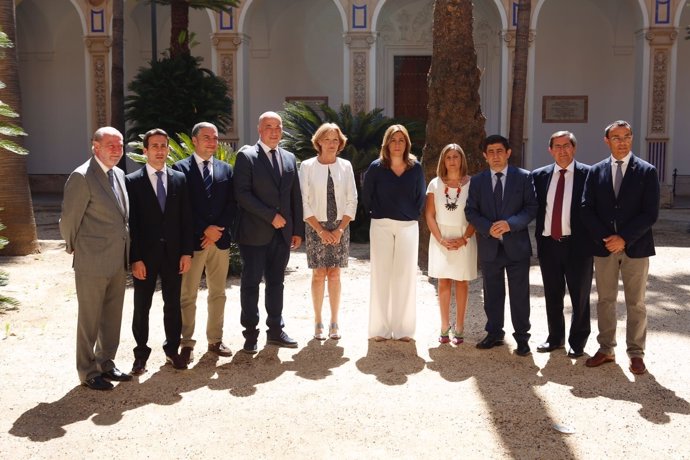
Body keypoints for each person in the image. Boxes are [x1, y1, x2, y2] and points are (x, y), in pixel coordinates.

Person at [581, 120, 660, 375]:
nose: (622, 141)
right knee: (605, 300)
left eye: (626, 136)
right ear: (607, 141)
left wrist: (624, 238)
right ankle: (606, 349)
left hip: (636, 247)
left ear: (632, 138)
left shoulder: (647, 171)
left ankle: (636, 353)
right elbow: (586, 208)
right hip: (604, 247)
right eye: (616, 137)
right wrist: (608, 238)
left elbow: (650, 213)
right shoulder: (596, 172)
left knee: (636, 302)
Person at [59, 126, 132, 390]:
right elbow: (69, 219)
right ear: (95, 147)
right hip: (92, 261)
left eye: (120, 145)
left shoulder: (120, 175)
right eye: (110, 144)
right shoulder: (82, 176)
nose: (116, 149)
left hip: (117, 260)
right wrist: (73, 246)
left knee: (112, 317)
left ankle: (106, 363)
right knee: (89, 319)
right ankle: (88, 371)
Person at [234, 111, 305, 353]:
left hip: (283, 234)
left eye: (278, 127)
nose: (274, 131)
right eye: (268, 126)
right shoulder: (247, 157)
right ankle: (250, 334)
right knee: (251, 283)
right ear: (259, 130)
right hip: (254, 233)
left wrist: (297, 230)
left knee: (277, 283)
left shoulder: (289, 158)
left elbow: (295, 196)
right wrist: (270, 216)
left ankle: (275, 330)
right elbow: (242, 195)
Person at [126, 129, 194, 374]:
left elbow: (187, 219)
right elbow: (131, 224)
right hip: (145, 256)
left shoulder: (179, 179)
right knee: (141, 306)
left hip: (174, 255)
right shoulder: (132, 181)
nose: (159, 150)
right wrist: (135, 258)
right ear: (145, 151)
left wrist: (187, 253)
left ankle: (172, 350)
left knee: (172, 305)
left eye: (163, 145)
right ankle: (141, 355)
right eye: (154, 146)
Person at [465, 134, 537, 356]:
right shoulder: (477, 181)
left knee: (519, 295)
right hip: (490, 247)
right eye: (491, 152)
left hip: (517, 247)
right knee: (492, 294)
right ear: (485, 156)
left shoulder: (524, 177)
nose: (496, 156)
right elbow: (471, 211)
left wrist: (510, 224)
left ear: (508, 153)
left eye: (500, 151)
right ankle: (494, 333)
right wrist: (488, 227)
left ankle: (522, 338)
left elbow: (531, 208)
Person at [172, 122, 236, 364]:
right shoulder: (179, 169)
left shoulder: (226, 170)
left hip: (220, 241)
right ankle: (186, 343)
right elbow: (181, 207)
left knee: (218, 293)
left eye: (215, 138)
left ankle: (215, 340)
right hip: (192, 243)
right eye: (206, 137)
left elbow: (232, 204)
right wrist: (203, 229)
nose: (212, 142)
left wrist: (217, 230)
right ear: (194, 141)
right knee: (187, 295)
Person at [532, 131, 593, 358]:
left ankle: (577, 341)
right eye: (557, 146)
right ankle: (555, 337)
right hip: (549, 245)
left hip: (579, 246)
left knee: (580, 296)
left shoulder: (589, 174)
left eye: (566, 145)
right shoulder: (539, 176)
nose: (562, 150)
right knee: (552, 295)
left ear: (574, 148)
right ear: (550, 150)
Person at [362, 124, 426, 342]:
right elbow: (367, 197)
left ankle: (403, 330)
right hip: (381, 224)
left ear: (406, 143)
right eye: (393, 140)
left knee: (405, 276)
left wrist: (409, 214)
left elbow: (421, 197)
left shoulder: (415, 167)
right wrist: (380, 213)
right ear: (386, 143)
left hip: (408, 226)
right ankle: (379, 329)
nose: (397, 144)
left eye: (401, 140)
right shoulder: (376, 167)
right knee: (381, 275)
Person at [298, 123, 358, 340]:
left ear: (340, 143)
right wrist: (321, 230)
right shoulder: (307, 166)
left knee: (334, 273)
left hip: (340, 226)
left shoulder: (346, 166)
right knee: (318, 273)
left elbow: (353, 199)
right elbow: (304, 201)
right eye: (327, 139)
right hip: (316, 226)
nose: (332, 144)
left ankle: (334, 322)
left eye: (335, 140)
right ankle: (318, 322)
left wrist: (340, 228)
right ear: (318, 142)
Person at [425, 144, 477, 345]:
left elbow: (475, 214)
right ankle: (444, 326)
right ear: (443, 161)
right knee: (444, 281)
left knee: (462, 282)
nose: (453, 160)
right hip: (441, 237)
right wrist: (440, 239)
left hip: (464, 237)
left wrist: (465, 238)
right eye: (448, 157)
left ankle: (460, 327)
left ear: (462, 160)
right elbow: (429, 214)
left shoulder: (472, 184)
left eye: (456, 156)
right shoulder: (435, 184)